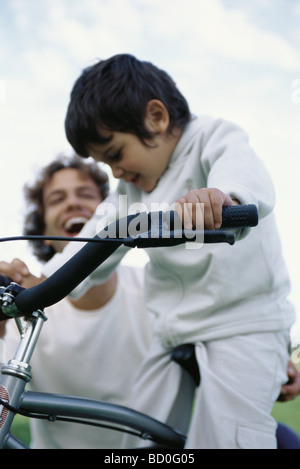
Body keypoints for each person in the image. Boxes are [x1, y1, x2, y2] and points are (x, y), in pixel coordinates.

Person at [38, 54, 295, 448]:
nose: (116, 173)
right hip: (172, 331)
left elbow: (244, 174)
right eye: (105, 164)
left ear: (156, 118)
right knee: (141, 432)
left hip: (242, 322)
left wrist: (226, 198)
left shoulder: (213, 138)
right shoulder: (131, 192)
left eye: (116, 154)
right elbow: (95, 238)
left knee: (227, 437)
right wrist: (43, 278)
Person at [0, 154, 152, 449]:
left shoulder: (153, 287)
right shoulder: (23, 309)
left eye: (86, 195)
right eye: (57, 199)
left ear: (108, 215)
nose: (72, 203)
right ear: (44, 234)